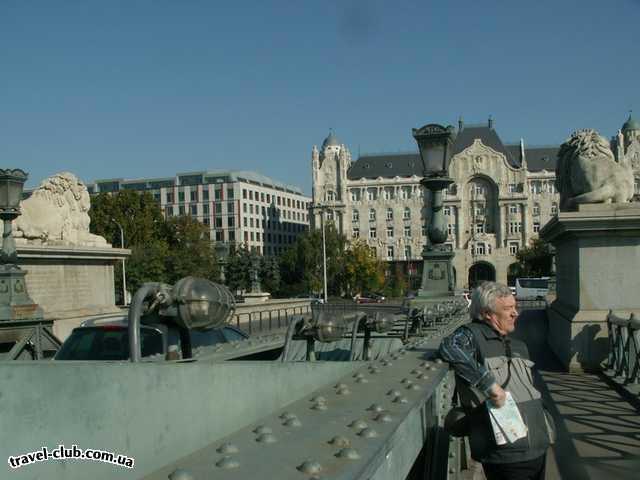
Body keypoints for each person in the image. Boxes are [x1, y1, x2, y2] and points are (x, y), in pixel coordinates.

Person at [439, 282, 553, 480]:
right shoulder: (472, 335)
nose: (515, 313)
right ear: (487, 313)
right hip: (507, 455)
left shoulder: (517, 344)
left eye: (514, 307)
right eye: (508, 309)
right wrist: (491, 386)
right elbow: (449, 347)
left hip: (538, 446)